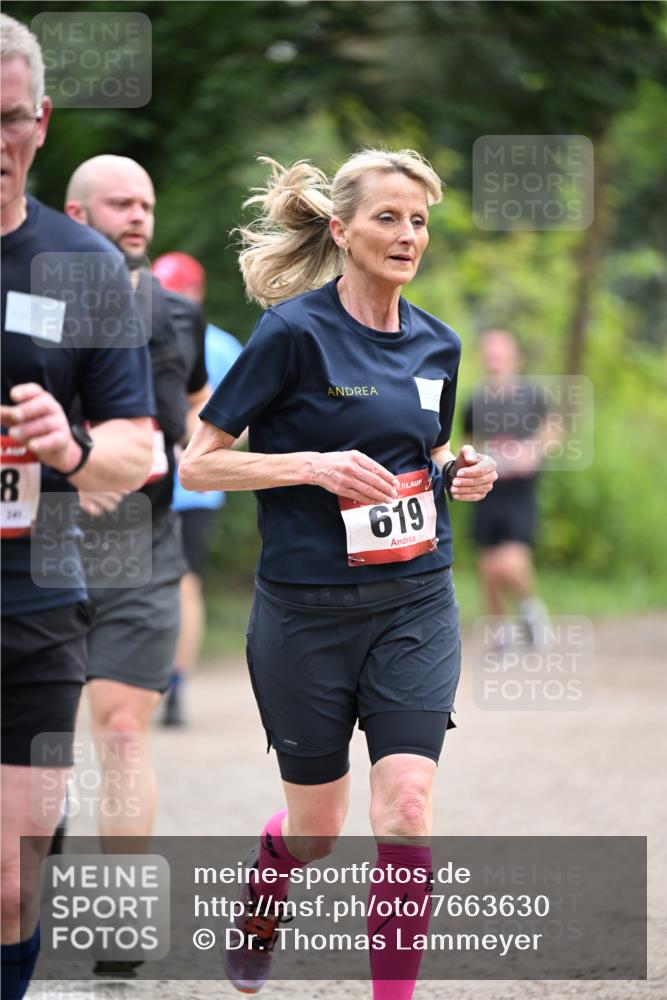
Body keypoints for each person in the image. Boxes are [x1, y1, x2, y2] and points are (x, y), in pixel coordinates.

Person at [180, 150, 497, 997]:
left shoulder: (439, 343)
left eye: (419, 220)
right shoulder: (291, 333)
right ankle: (266, 886)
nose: (406, 235)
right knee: (319, 830)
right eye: (387, 217)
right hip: (305, 612)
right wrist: (311, 466)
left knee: (404, 810)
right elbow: (200, 466)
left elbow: (424, 453)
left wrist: (459, 471)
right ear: (341, 229)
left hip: (415, 601)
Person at [0, 16, 155, 1000]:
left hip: (33, 594)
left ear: (41, 120)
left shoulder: (82, 263)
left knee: (13, 881)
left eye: (7, 117)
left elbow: (138, 451)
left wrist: (71, 448)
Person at [63, 157, 209, 974]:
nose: (139, 216)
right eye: (121, 203)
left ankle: (118, 914)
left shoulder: (173, 312)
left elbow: (194, 407)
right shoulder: (31, 300)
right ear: (76, 214)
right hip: (40, 542)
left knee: (120, 729)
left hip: (143, 544)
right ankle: (22, 903)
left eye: (148, 203)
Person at [152, 251, 243, 725]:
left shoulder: (222, 347)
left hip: (193, 491)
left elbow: (245, 425)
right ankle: (158, 684)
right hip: (147, 485)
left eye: (176, 292)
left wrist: (194, 444)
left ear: (196, 294)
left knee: (182, 587)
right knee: (168, 586)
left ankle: (175, 689)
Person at [463, 329, 552, 645]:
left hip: (520, 491)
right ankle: (502, 633)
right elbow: (467, 442)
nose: (494, 361)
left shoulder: (531, 396)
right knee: (487, 564)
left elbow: (553, 429)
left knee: (512, 560)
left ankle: (531, 612)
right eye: (489, 356)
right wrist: (471, 464)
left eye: (500, 355)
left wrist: (534, 451)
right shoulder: (477, 401)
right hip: (490, 489)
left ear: (516, 358)